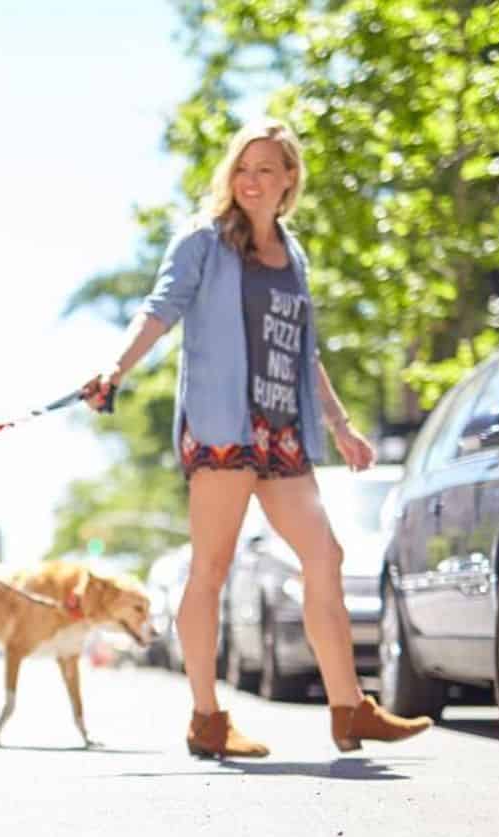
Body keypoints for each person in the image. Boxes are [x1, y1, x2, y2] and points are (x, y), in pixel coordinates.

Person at [83, 117, 432, 758]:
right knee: (210, 569)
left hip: (282, 430)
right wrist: (116, 368)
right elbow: (159, 309)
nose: (250, 180)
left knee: (323, 556)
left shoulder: (290, 254)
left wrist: (341, 423)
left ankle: (349, 709)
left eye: (265, 169)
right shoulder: (203, 242)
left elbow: (301, 350)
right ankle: (207, 720)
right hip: (223, 427)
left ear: (288, 179)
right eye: (243, 168)